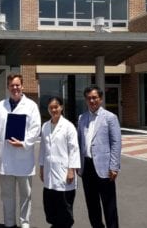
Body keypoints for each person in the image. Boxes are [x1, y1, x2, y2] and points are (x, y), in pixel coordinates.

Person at [0, 73, 41, 228]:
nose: (15, 88)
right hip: (6, 158)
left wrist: (24, 143)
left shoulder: (31, 106)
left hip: (24, 158)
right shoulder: (0, 106)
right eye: (12, 85)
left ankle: (24, 223)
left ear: (22, 86)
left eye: (17, 85)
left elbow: (36, 128)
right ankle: (9, 223)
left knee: (26, 195)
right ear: (8, 87)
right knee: (7, 195)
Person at [77, 86, 122, 228]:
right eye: (89, 98)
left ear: (100, 99)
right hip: (87, 167)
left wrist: (114, 167)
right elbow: (79, 142)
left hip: (104, 168)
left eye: (94, 97)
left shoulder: (110, 117)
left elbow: (116, 143)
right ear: (86, 100)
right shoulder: (81, 118)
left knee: (109, 205)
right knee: (92, 205)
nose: (92, 100)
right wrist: (79, 165)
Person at [39, 97, 80, 228]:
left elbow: (74, 149)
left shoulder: (68, 126)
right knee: (50, 205)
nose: (53, 110)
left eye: (56, 107)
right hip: (49, 171)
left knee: (64, 206)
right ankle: (55, 224)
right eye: (51, 107)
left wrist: (71, 170)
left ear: (61, 107)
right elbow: (43, 149)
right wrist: (41, 167)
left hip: (64, 172)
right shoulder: (45, 126)